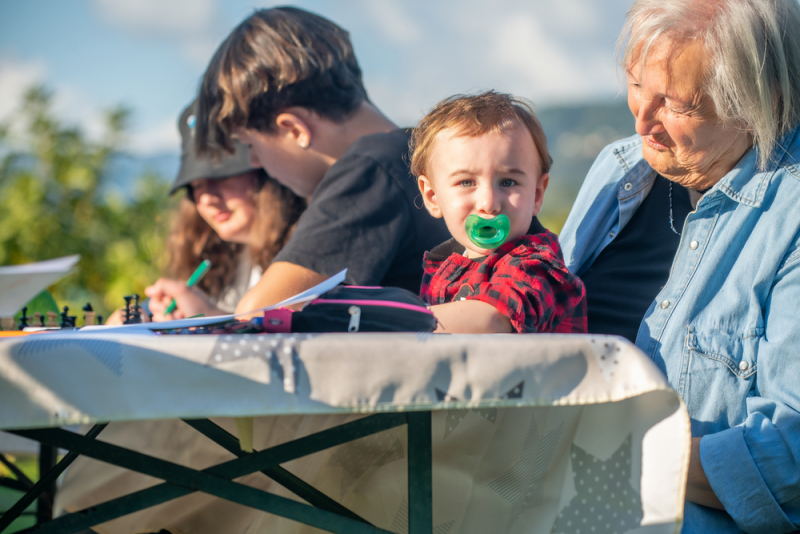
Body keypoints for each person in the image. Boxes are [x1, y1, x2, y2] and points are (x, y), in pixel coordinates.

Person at [558, 0, 800, 531]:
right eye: (637, 85)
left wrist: (611, 445)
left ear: (761, 100)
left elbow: (788, 458)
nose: (643, 119)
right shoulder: (617, 168)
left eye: (676, 104)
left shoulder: (792, 215)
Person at [179, 6, 450, 316]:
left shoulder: (370, 170)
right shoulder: (418, 156)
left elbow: (258, 313)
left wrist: (202, 314)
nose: (254, 161)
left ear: (294, 129)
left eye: (250, 144)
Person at [410, 91, 587, 334]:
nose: (489, 203)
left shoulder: (537, 266)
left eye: (507, 182)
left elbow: (493, 318)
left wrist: (392, 320)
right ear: (432, 197)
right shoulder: (442, 267)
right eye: (466, 182)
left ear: (536, 195)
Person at [130, 100, 305, 322]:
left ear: (263, 167)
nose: (206, 198)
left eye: (221, 176)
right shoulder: (218, 258)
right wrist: (146, 315)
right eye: (196, 185)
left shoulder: (307, 255)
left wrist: (212, 320)